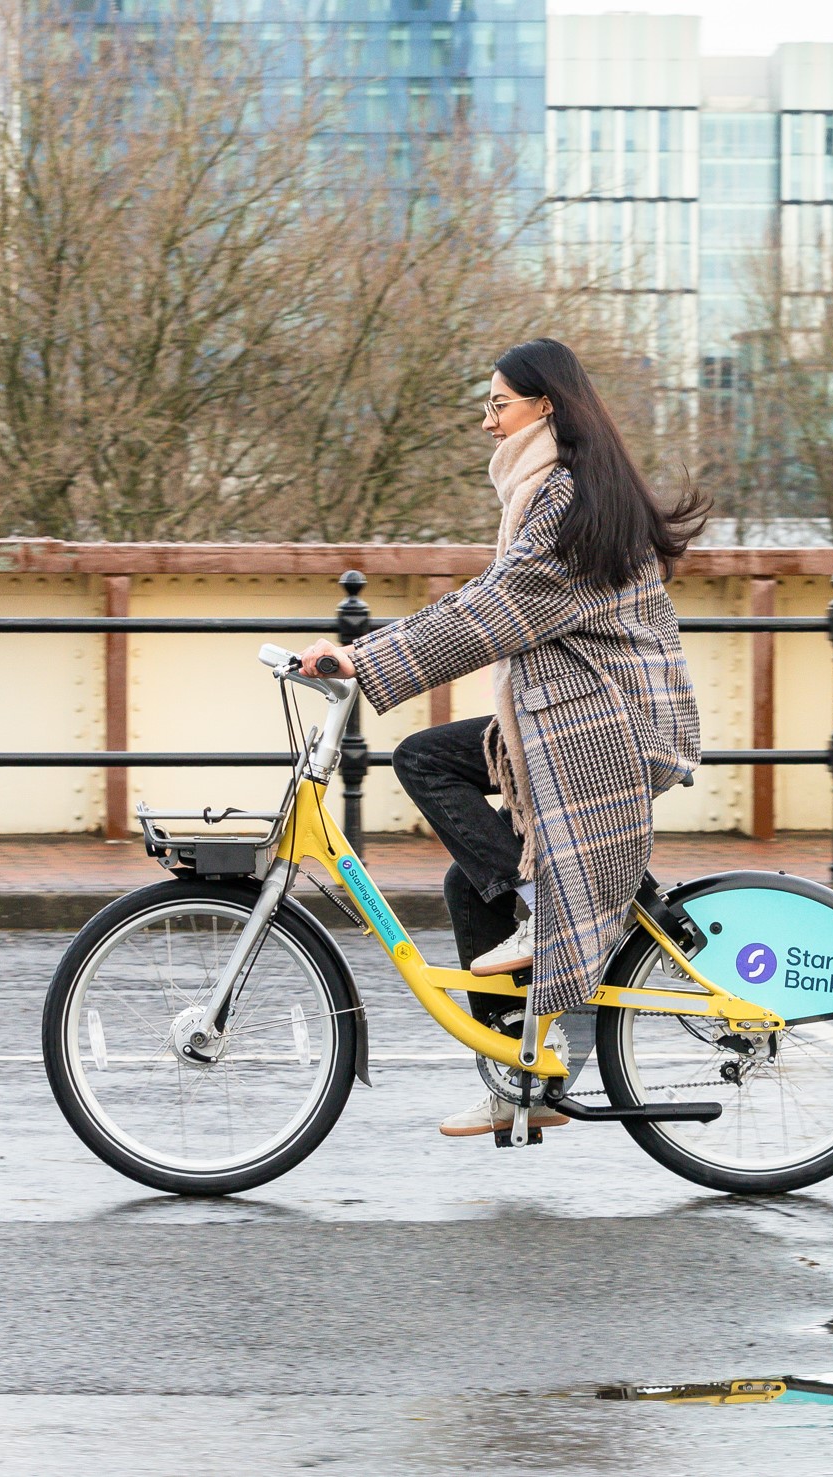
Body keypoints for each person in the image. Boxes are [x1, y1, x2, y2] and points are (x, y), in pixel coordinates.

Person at [298, 337, 706, 1140]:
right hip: (565, 713)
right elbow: (488, 595)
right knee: (463, 884)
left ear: (544, 406)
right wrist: (365, 651)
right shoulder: (551, 489)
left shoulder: (569, 502)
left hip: (609, 723)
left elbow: (492, 612)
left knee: (423, 758)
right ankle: (519, 1078)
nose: (488, 422)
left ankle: (548, 911)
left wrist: (363, 658)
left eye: (498, 404)